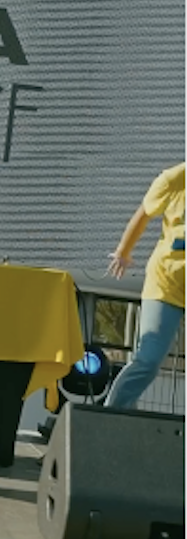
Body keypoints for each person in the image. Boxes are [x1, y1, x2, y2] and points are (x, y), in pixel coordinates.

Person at [104, 162, 185, 411]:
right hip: (166, 285)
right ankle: (110, 416)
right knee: (148, 360)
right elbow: (144, 213)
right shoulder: (173, 179)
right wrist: (122, 252)